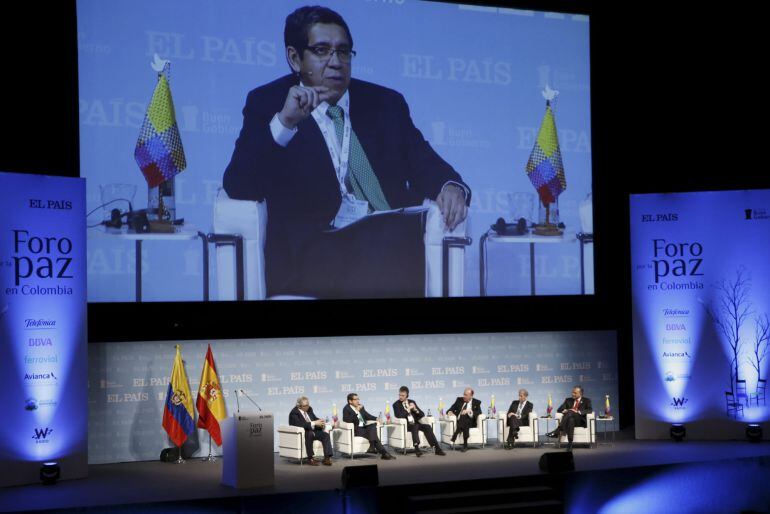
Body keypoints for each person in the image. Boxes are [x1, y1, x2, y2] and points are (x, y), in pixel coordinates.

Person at [223, 5, 471, 299]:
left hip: (388, 243)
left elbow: (424, 162)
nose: (336, 62)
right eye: (322, 50)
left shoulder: (385, 104)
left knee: (392, 234)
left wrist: (451, 186)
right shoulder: (268, 102)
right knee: (389, 240)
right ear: (294, 58)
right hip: (313, 252)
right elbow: (239, 183)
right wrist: (284, 123)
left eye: (343, 51)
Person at [392, 386, 446, 456]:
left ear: (407, 395)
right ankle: (417, 448)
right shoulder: (396, 404)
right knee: (415, 426)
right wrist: (408, 409)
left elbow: (422, 414)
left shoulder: (412, 402)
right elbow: (398, 415)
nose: (400, 397)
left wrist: (415, 409)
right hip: (407, 426)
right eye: (399, 395)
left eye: (403, 395)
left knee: (427, 427)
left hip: (416, 423)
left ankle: (437, 449)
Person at [342, 393, 395, 460]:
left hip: (364, 427)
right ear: (350, 401)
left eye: (358, 399)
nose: (358, 401)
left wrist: (376, 418)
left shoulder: (361, 406)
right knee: (375, 437)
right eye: (355, 399)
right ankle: (383, 453)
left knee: (373, 425)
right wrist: (356, 411)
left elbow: (367, 415)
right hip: (356, 430)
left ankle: (373, 447)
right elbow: (347, 420)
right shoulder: (346, 409)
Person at [288, 396, 333, 466]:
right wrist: (314, 423)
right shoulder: (294, 413)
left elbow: (314, 418)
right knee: (309, 434)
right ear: (299, 406)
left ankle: (327, 458)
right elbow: (299, 424)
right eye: (304, 406)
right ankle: (310, 458)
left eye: (308, 405)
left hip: (313, 431)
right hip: (304, 433)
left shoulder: (309, 409)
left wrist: (320, 421)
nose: (307, 407)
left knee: (325, 435)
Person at [546, 386, 592, 451]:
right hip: (569, 420)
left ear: (580, 393)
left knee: (570, 411)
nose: (572, 394)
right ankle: (570, 444)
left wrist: (578, 411)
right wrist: (564, 410)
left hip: (580, 421)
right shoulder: (568, 400)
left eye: (575, 393)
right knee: (571, 419)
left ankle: (558, 430)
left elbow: (589, 410)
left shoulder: (586, 400)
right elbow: (559, 409)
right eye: (572, 392)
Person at [446, 388, 482, 452]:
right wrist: (450, 412)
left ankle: (456, 433)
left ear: (471, 396)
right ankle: (465, 445)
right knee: (464, 417)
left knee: (466, 417)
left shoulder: (477, 402)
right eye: (464, 394)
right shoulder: (459, 400)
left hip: (471, 422)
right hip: (459, 421)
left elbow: (479, 412)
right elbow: (450, 409)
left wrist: (469, 411)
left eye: (466, 395)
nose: (464, 396)